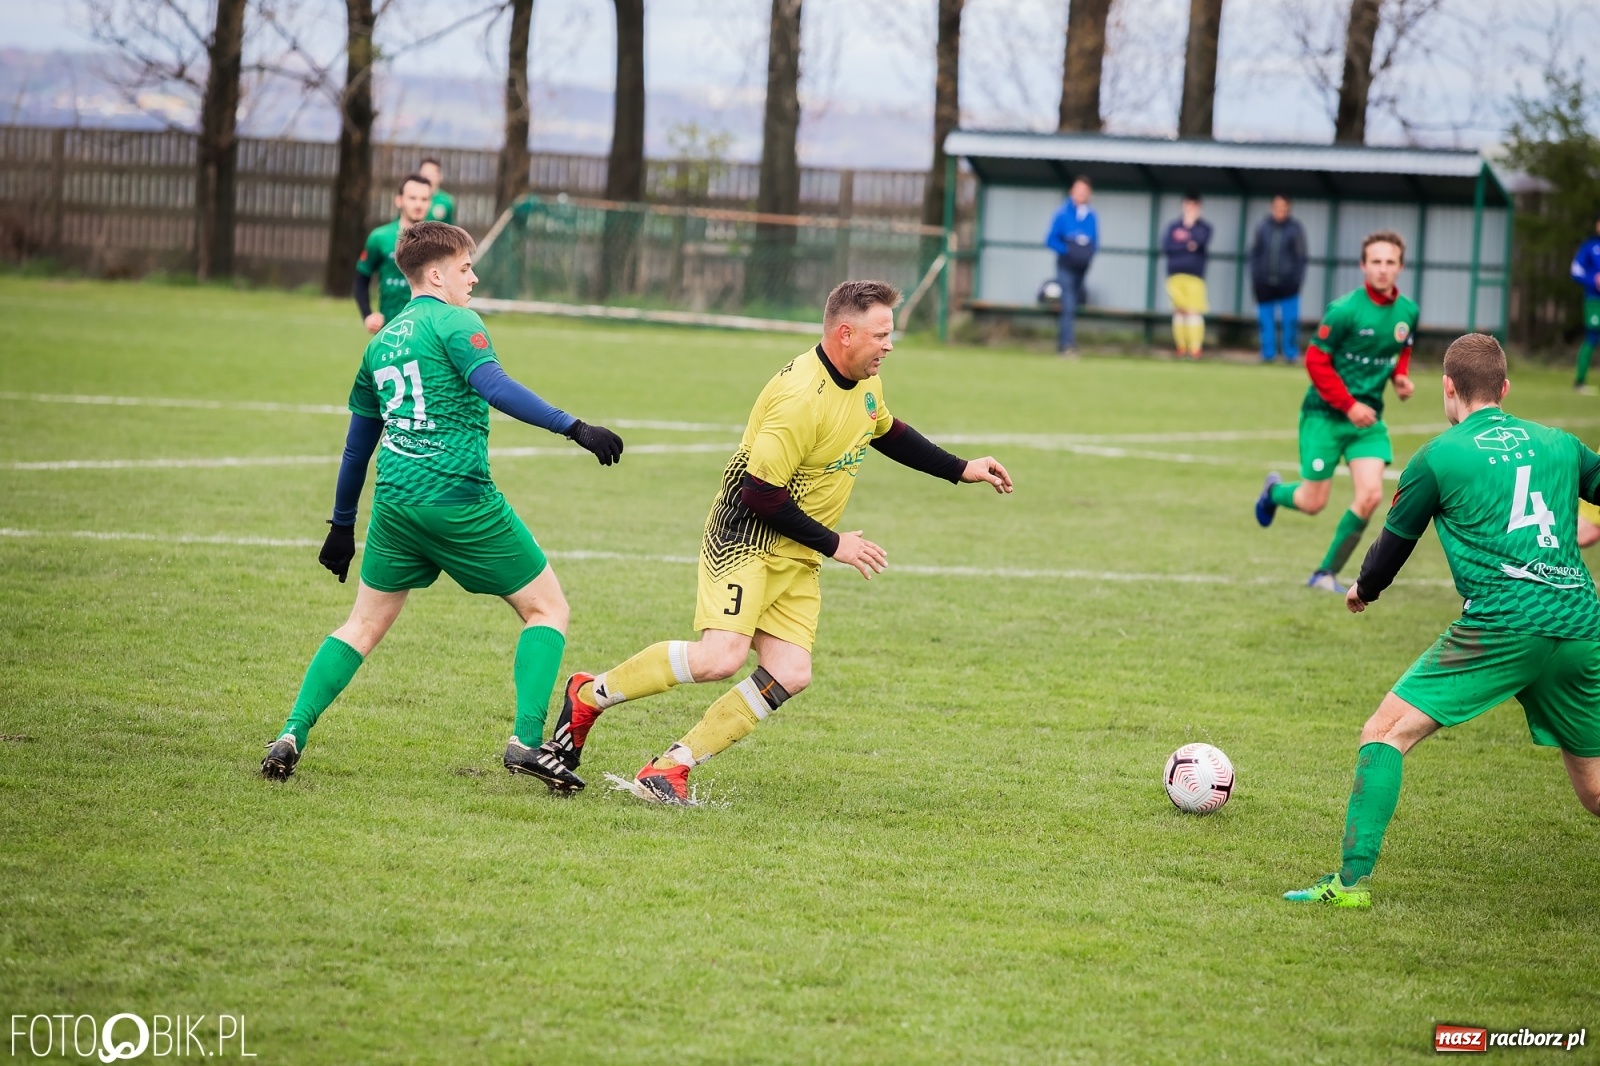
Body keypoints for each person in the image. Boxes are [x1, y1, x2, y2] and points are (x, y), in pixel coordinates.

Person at [533, 280, 1014, 804]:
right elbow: (760, 495)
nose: (889, 345)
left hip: (798, 549)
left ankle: (670, 767)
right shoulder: (798, 398)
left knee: (790, 671)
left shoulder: (864, 381)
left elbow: (887, 429)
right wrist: (836, 545)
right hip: (745, 538)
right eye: (881, 335)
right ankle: (588, 694)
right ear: (845, 333)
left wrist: (960, 468)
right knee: (721, 658)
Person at [260, 221, 627, 788]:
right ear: (435, 274)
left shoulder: (380, 344)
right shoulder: (457, 321)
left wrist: (341, 525)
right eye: (465, 268)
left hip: (395, 507)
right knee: (547, 608)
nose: (473, 278)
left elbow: (358, 446)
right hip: (459, 499)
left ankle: (290, 732)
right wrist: (575, 427)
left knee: (360, 625)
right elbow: (496, 387)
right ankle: (527, 744)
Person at [1284, 333, 1600, 909]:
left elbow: (1394, 542)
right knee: (1596, 790)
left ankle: (1349, 886)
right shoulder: (1560, 443)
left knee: (1384, 732)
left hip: (1503, 623)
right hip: (1580, 621)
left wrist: (1364, 588)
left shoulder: (1439, 455)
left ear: (1448, 387)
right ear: (1505, 388)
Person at [1254, 230, 1418, 594]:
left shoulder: (1408, 312)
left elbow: (1400, 348)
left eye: (1390, 262)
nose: (1382, 269)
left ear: (1400, 267)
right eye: (1375, 261)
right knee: (1313, 502)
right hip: (1325, 415)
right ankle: (1274, 493)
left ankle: (1325, 573)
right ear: (1363, 265)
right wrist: (1348, 404)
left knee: (1372, 495)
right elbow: (1315, 360)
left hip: (1367, 421)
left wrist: (1400, 377)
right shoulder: (1344, 310)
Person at [356, 174, 432, 333]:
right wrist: (367, 315)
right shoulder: (380, 237)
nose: (419, 204)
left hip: (428, 329)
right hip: (390, 328)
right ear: (399, 200)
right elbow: (361, 280)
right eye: (412, 198)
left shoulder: (440, 241)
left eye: (424, 199)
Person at [1250, 194, 1308, 365]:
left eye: (1283, 207)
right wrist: (1255, 277)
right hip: (1264, 283)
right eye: (1276, 207)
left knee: (1290, 321)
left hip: (1288, 284)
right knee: (1265, 322)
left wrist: (1297, 280)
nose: (1279, 211)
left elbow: (1301, 257)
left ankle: (1290, 354)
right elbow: (1254, 254)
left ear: (1288, 209)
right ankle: (1268, 354)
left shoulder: (1295, 229)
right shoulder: (1263, 227)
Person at [1044, 176, 1098, 357]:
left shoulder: (1091, 215)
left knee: (1074, 304)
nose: (1081, 194)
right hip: (1065, 267)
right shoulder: (1062, 213)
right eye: (1078, 190)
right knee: (1068, 305)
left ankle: (1064, 343)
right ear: (1071, 191)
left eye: (1085, 191)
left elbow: (1095, 241)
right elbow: (1050, 239)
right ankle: (1066, 345)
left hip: (1082, 268)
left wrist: (1086, 253)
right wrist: (1068, 250)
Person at [1161, 192, 1212, 359]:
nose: (1190, 209)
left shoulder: (1204, 227)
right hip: (1175, 275)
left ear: (1199, 208)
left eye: (1194, 206)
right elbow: (1168, 247)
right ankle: (1181, 348)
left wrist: (1189, 230)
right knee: (1179, 312)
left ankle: (1195, 349)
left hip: (1195, 276)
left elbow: (1201, 242)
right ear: (1183, 206)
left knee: (1193, 312)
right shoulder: (1173, 226)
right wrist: (1187, 244)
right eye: (1188, 205)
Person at [1569, 212, 1600, 392]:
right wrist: (1594, 280)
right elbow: (1575, 271)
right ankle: (1579, 382)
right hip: (1594, 301)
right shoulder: (1590, 247)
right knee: (1592, 337)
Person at [419, 157, 455, 225]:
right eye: (425, 175)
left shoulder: (446, 201)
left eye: (431, 175)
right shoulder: (411, 198)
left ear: (440, 176)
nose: (427, 178)